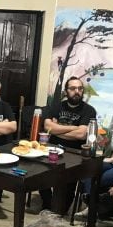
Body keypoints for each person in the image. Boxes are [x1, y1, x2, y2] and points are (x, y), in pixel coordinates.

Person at [40, 77, 97, 210]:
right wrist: (73, 128)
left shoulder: (89, 110)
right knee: (40, 173)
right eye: (72, 88)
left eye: (80, 88)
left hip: (75, 152)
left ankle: (58, 208)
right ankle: (47, 204)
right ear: (66, 91)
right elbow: (48, 127)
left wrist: (57, 129)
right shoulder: (56, 106)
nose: (77, 91)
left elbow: (81, 134)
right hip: (52, 148)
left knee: (63, 204)